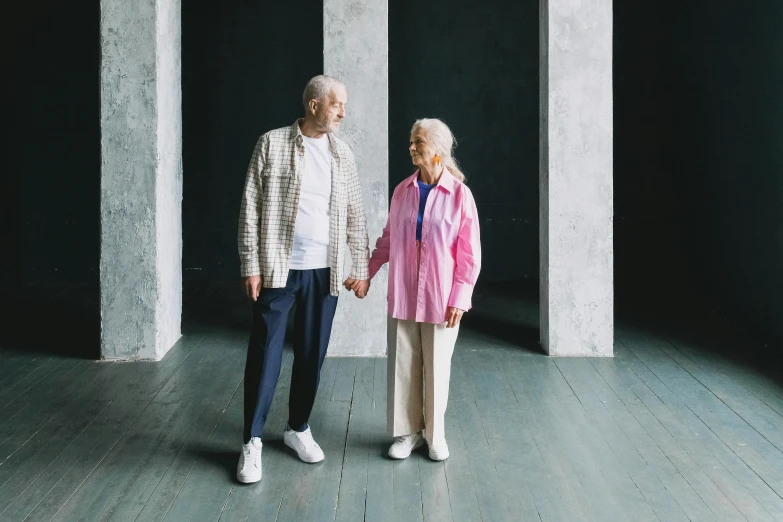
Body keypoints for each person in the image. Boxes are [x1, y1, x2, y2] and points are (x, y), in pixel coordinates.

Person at [236, 75, 371, 484]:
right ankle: (252, 441)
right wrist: (250, 264)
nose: (343, 113)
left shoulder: (342, 154)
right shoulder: (271, 144)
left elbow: (354, 212)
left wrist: (360, 266)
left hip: (323, 270)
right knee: (266, 353)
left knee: (312, 353)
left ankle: (297, 428)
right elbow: (250, 207)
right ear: (314, 105)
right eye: (337, 105)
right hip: (279, 266)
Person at [346, 118, 481, 461]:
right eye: (411, 141)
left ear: (437, 148)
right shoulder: (402, 191)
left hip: (441, 297)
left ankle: (435, 436)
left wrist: (461, 298)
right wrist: (367, 273)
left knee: (437, 366)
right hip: (404, 293)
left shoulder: (460, 196)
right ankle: (407, 434)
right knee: (404, 364)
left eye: (418, 141)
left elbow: (469, 255)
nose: (411, 147)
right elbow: (388, 240)